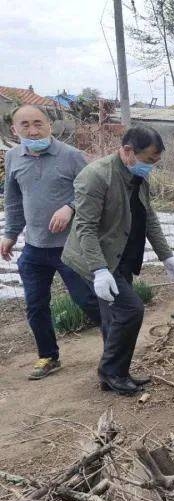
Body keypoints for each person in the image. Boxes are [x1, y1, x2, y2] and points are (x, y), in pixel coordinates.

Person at [62, 126, 174, 396]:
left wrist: (167, 255)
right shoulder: (95, 176)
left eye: (155, 161)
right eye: (149, 160)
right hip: (96, 258)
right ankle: (111, 371)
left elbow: (148, 216)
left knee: (113, 316)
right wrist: (100, 270)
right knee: (130, 310)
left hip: (122, 256)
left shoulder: (137, 177)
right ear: (128, 151)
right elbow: (85, 228)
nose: (151, 167)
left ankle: (116, 373)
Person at [1, 105, 101, 380]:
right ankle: (48, 356)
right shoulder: (12, 157)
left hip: (71, 246)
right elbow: (13, 200)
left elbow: (93, 193)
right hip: (35, 247)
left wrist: (69, 207)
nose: (33, 130)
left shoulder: (71, 156)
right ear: (14, 129)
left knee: (88, 300)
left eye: (38, 123)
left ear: (49, 125)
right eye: (25, 125)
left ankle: (117, 345)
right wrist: (10, 234)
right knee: (35, 305)